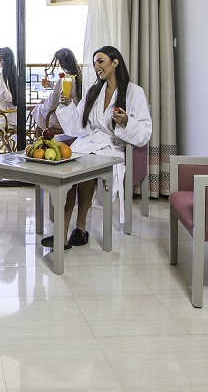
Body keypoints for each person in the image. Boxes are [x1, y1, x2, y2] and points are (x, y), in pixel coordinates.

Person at [40, 45, 152, 249]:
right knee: (69, 171)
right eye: (94, 63)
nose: (96, 66)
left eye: (101, 61)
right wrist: (67, 105)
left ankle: (79, 227)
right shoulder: (94, 91)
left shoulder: (135, 93)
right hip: (88, 143)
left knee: (84, 168)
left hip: (112, 147)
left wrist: (127, 121)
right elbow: (78, 126)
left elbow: (144, 132)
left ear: (115, 62)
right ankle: (63, 232)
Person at [29, 48, 83, 134]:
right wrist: (53, 87)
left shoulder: (64, 79)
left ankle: (40, 139)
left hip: (62, 115)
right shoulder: (78, 76)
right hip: (73, 112)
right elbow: (67, 94)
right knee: (41, 105)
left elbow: (52, 103)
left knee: (38, 111)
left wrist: (42, 104)